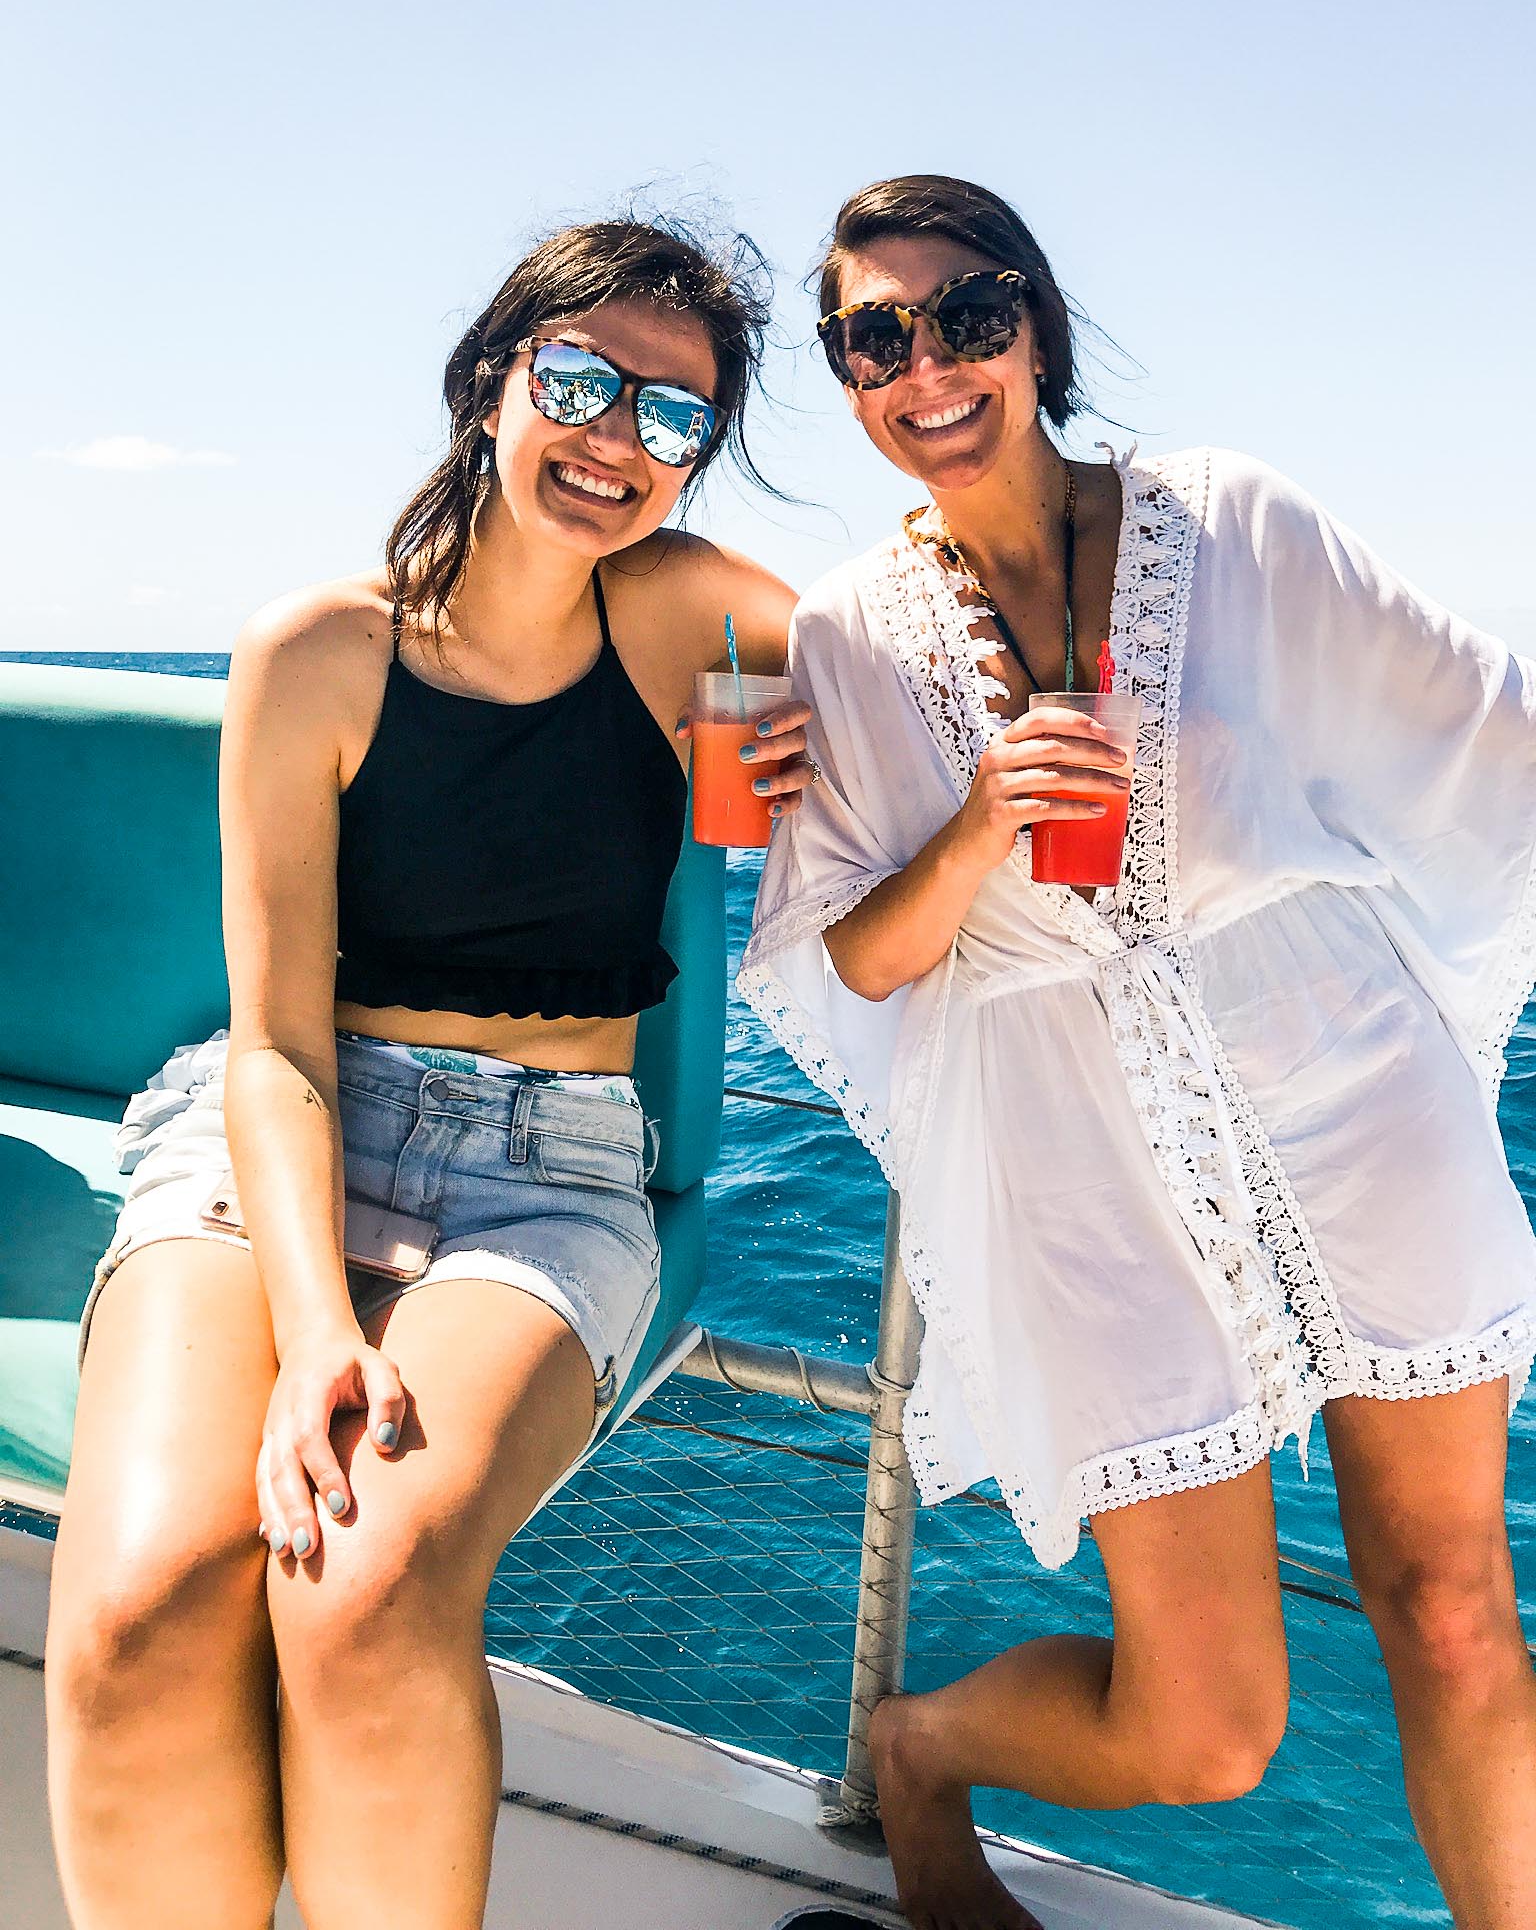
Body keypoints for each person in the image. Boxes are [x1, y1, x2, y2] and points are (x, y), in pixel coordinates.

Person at [741, 174, 1536, 1930]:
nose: (928, 365)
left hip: (1350, 1083)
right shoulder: (846, 635)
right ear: (848, 376)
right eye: (876, 337)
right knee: (1206, 1731)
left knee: (1456, 1603)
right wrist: (971, 831)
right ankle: (925, 1749)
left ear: (1039, 326)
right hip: (1078, 1162)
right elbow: (844, 957)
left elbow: (1492, 737)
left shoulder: (1237, 519)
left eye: (970, 312)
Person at [45, 215, 812, 1930]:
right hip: (276, 1131)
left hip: (549, 1167)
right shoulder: (313, 651)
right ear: (490, 383)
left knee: (364, 1588)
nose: (617, 437)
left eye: (671, 417)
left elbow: (934, 650)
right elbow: (277, 1041)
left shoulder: (692, 615)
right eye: (580, 380)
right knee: (142, 1610)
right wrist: (316, 1324)